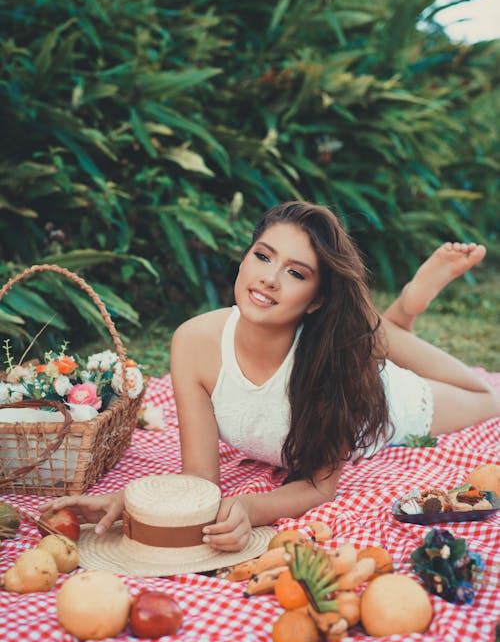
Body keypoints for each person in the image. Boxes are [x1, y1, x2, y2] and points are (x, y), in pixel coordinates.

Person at [42, 202, 500, 552]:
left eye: (296, 272)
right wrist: (134, 503)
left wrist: (252, 507)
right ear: (244, 259)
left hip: (385, 397)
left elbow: (320, 486)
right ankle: (390, 323)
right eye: (263, 256)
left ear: (316, 299)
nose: (269, 280)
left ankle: (403, 311)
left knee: (485, 395)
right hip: (350, 348)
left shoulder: (330, 366)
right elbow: (201, 478)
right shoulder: (193, 343)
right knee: (368, 336)